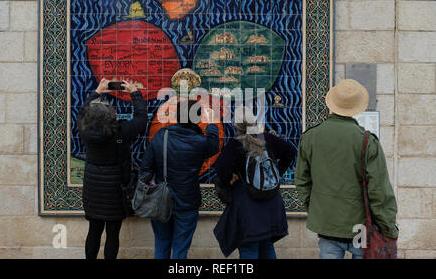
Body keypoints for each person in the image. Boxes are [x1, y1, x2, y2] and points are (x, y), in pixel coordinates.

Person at [295, 79, 399, 259]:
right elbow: (379, 192)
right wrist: (389, 227)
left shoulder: (310, 137)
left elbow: (302, 182)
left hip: (327, 223)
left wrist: (317, 209)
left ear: (332, 103)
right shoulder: (367, 141)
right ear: (357, 107)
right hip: (358, 226)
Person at [139, 99, 220, 259]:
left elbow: (146, 169)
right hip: (187, 202)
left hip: (161, 200)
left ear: (177, 116)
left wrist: (150, 188)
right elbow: (214, 144)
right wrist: (211, 123)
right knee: (180, 249)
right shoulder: (201, 142)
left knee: (161, 245)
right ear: (197, 118)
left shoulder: (161, 135)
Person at [79, 78, 148, 259]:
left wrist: (97, 91)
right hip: (115, 190)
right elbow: (141, 119)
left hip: (92, 190)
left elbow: (82, 112)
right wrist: (134, 92)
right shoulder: (121, 132)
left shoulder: (84, 131)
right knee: (112, 233)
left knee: (93, 230)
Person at [213, 119, 297, 259]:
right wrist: (276, 173)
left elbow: (221, 167)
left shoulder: (236, 144)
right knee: (266, 245)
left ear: (236, 127)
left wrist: (230, 178)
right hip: (271, 204)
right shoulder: (266, 138)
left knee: (249, 248)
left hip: (248, 207)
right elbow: (291, 151)